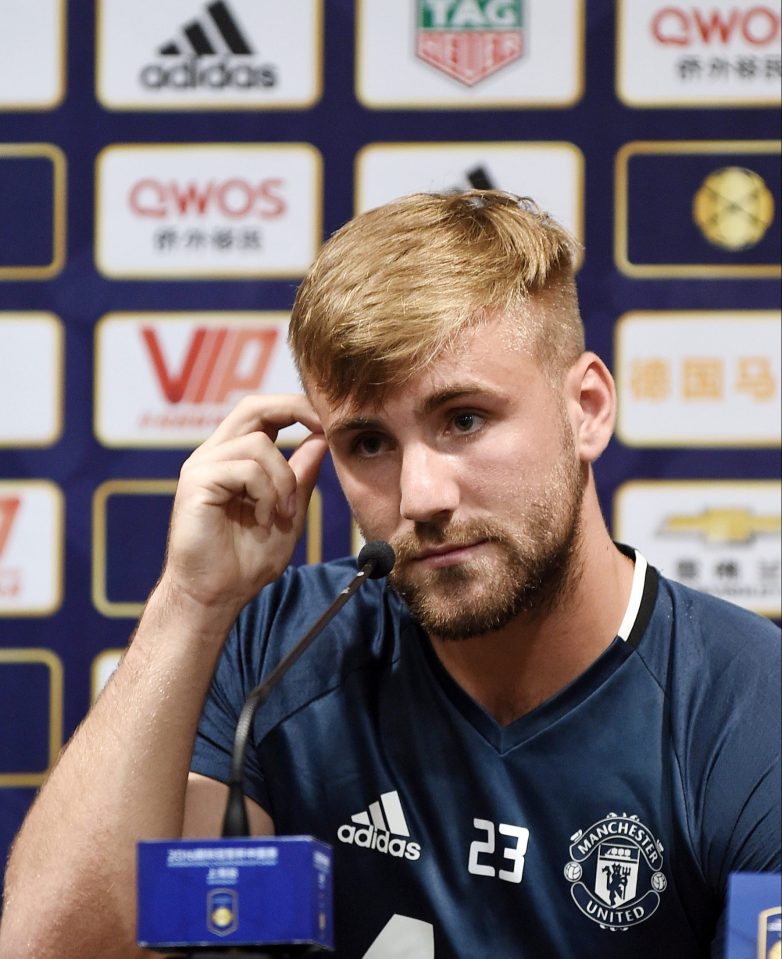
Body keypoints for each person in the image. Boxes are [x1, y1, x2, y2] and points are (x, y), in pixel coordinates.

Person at [0, 191, 779, 959]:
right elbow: (61, 949)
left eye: (464, 419)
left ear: (588, 408)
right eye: (369, 443)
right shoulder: (283, 647)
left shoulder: (749, 705)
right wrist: (191, 602)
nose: (421, 497)